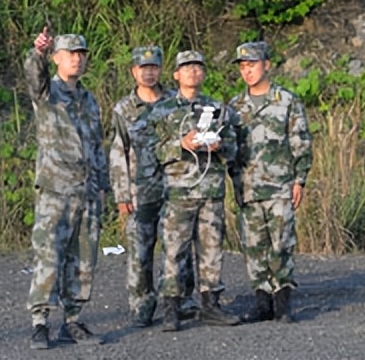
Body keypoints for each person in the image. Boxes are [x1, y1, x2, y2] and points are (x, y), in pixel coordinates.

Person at [24, 27, 109, 350]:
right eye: (70, 54)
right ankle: (40, 322)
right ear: (57, 58)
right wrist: (38, 53)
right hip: (56, 189)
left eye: (81, 54)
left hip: (87, 191)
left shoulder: (89, 99)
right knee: (49, 255)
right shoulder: (48, 93)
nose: (77, 59)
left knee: (83, 259)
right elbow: (34, 76)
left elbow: (97, 145)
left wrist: (102, 186)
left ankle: (73, 320)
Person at [108, 45, 196, 328]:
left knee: (178, 245)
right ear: (134, 71)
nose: (148, 73)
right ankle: (142, 303)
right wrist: (121, 193)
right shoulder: (124, 108)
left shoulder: (175, 101)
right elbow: (118, 152)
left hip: (174, 185)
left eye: (153, 67)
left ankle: (182, 299)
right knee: (140, 250)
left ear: (160, 69)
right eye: (143, 68)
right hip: (141, 189)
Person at [155, 50, 241, 331]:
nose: (193, 72)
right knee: (174, 251)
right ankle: (172, 307)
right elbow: (151, 151)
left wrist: (220, 146)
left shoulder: (218, 109)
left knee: (212, 250)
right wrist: (180, 144)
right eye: (186, 67)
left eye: (198, 67)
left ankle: (210, 304)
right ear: (176, 74)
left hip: (210, 190)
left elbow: (233, 147)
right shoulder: (163, 109)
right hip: (179, 192)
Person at [228, 41, 313, 323]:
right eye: (243, 66)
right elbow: (230, 149)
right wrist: (235, 181)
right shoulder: (234, 107)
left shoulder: (286, 101)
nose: (247, 71)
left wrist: (300, 179)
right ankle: (262, 302)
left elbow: (300, 141)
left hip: (280, 186)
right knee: (254, 246)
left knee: (281, 244)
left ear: (266, 65)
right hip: (249, 188)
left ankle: (282, 302)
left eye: (252, 64)